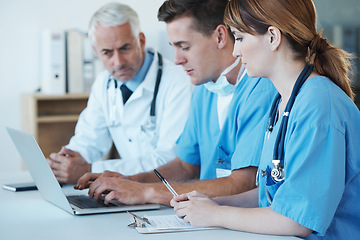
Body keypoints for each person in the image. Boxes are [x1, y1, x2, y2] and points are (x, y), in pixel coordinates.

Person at [171, 0, 360, 239]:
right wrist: (213, 203)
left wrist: (217, 215)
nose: (235, 51)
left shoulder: (318, 106)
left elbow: (296, 220)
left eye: (239, 38)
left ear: (272, 37)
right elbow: (271, 194)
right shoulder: (283, 102)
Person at [75, 0, 277, 206]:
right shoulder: (204, 91)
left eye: (184, 47)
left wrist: (147, 193)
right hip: (205, 217)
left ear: (220, 36)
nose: (177, 59)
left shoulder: (260, 89)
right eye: (174, 47)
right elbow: (184, 166)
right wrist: (129, 181)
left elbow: (242, 185)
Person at [46, 2, 193, 184]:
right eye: (107, 52)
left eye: (125, 48)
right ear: (95, 51)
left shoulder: (179, 82)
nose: (118, 62)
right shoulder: (103, 84)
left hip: (170, 193)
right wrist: (65, 162)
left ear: (141, 40)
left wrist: (92, 170)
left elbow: (170, 161)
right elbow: (88, 141)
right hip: (129, 192)